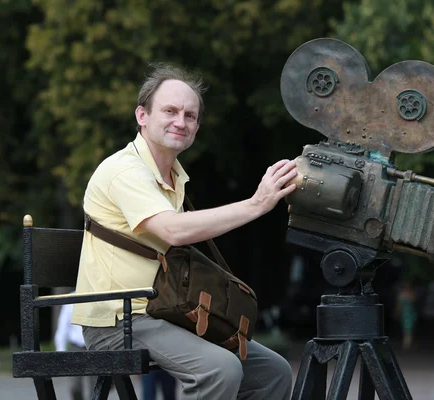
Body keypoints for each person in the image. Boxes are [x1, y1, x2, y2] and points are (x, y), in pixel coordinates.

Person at [71, 63, 297, 400]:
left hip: (162, 312)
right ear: (142, 116)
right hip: (119, 319)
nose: (181, 121)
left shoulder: (174, 179)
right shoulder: (125, 171)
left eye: (190, 116)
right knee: (220, 369)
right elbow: (172, 231)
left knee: (272, 372)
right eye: (170, 111)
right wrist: (256, 204)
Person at [54, 292, 90, 400]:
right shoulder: (70, 300)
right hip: (76, 347)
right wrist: (61, 352)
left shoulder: (96, 295)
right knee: (74, 386)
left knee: (97, 385)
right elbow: (62, 327)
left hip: (93, 346)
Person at [394, 280, 418, 350]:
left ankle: (407, 343)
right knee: (407, 329)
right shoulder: (402, 294)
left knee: (409, 328)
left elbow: (414, 300)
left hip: (410, 313)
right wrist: (397, 312)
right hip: (405, 313)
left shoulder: (410, 293)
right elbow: (398, 305)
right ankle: (407, 343)